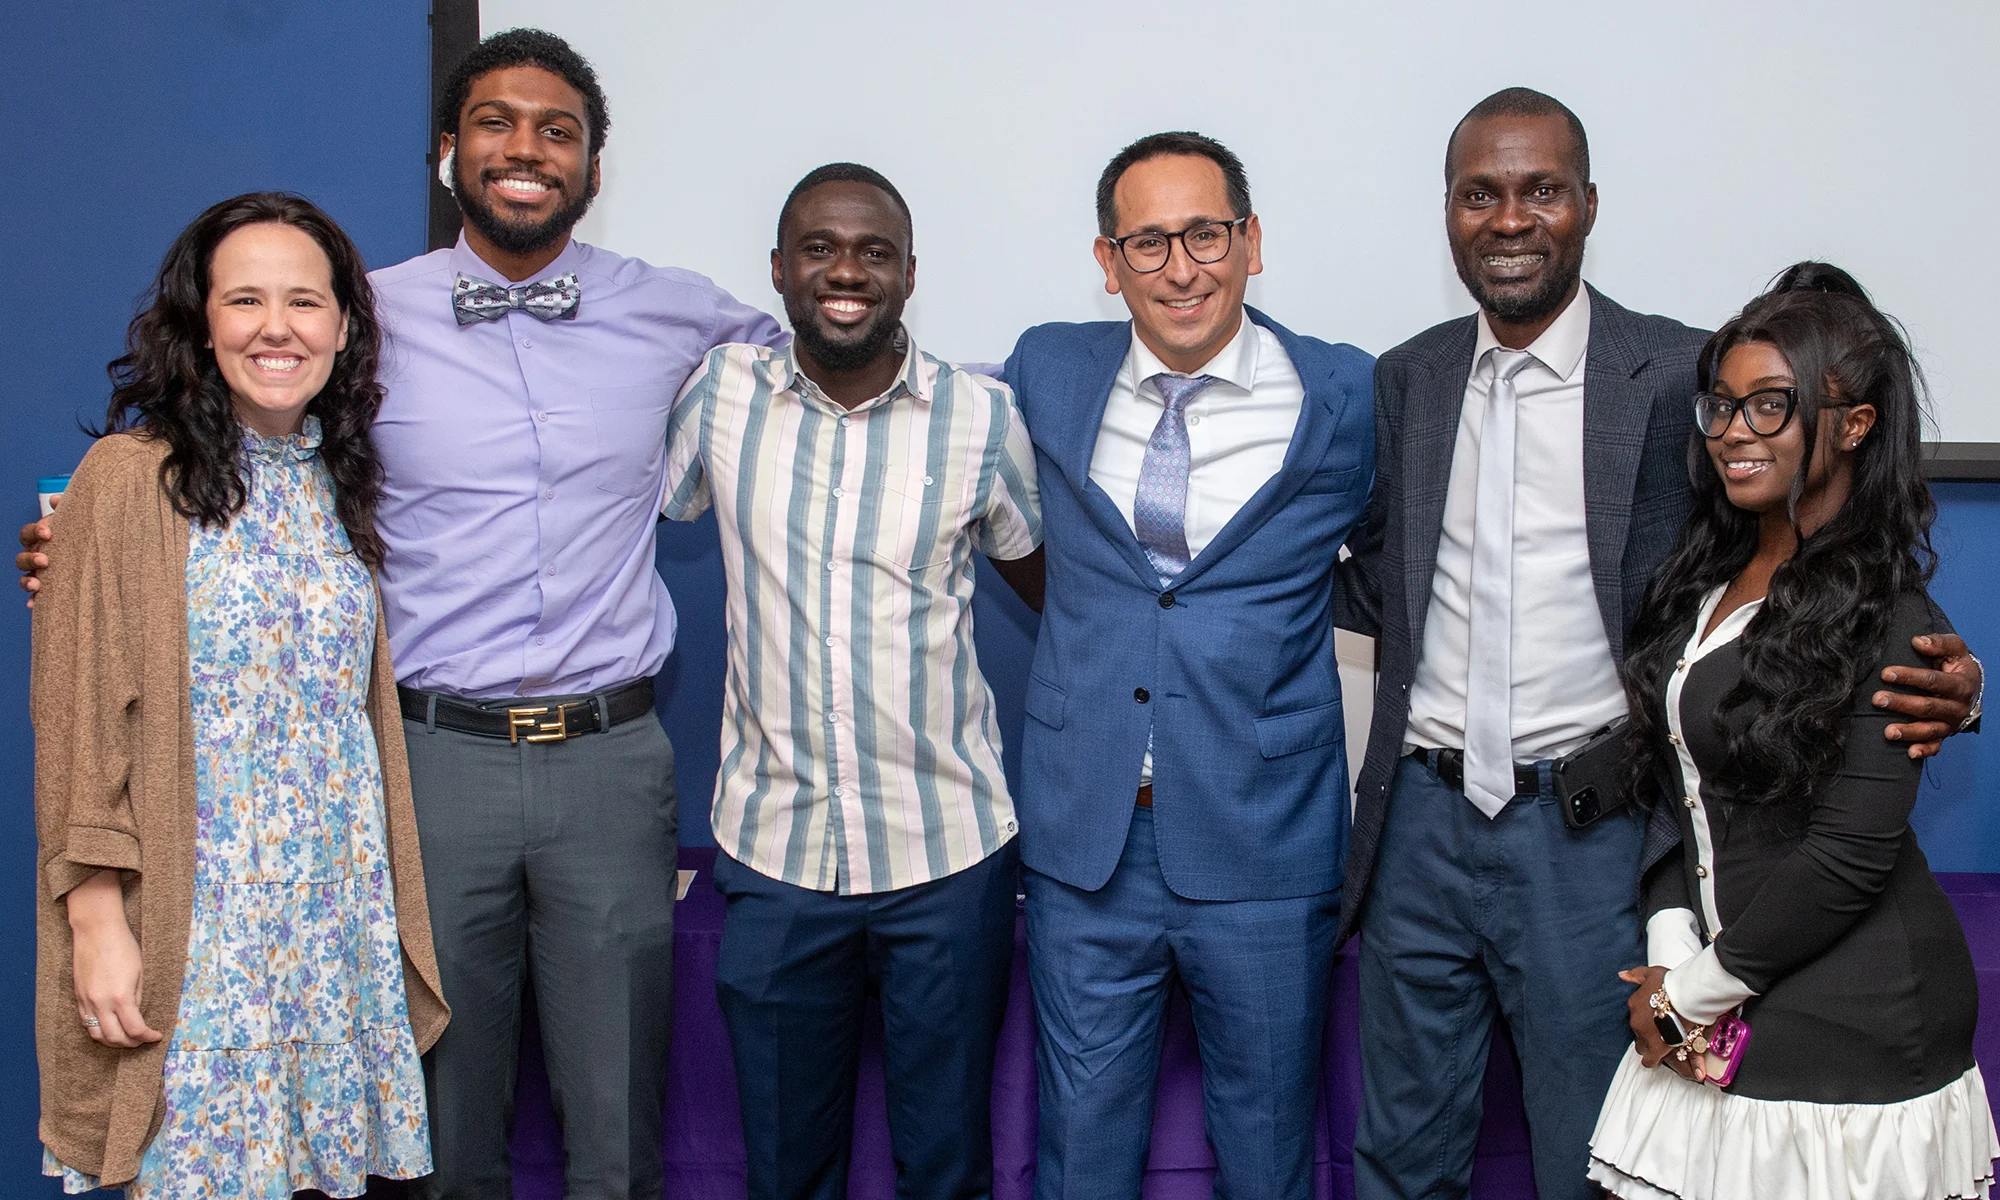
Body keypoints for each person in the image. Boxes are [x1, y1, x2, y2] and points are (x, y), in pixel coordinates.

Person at [21, 28, 785, 1200]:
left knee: (617, 1124)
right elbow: (211, 475)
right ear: (445, 150)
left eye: (557, 131)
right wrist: (78, 552)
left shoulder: (680, 312)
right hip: (427, 772)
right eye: (493, 123)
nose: (524, 150)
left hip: (609, 761)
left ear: (593, 164)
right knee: (442, 1120)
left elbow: (828, 366)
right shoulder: (352, 320)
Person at [1332, 89, 1983, 1200]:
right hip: (1420, 829)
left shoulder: (1685, 376)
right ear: (1446, 212)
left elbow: (1811, 545)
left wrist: (1945, 678)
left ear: (1587, 205)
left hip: (1588, 827)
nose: (1509, 218)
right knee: (1399, 1151)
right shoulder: (1407, 379)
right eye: (1479, 194)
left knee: (1593, 1151)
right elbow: (1370, 571)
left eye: (1541, 189)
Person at [31, 192, 447, 1196]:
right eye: (245, 300)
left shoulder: (337, 482)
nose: (276, 327)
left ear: (342, 329)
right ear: (201, 322)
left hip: (330, 915)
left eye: (304, 302)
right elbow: (78, 719)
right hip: (201, 921)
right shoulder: (127, 479)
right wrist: (96, 920)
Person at [1002, 132, 1374, 1199]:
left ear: (1250, 242)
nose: (1180, 268)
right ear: (1107, 260)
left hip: (1266, 840)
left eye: (1205, 234)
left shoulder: (1344, 393)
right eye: (1148, 241)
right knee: (1082, 1151)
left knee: (1267, 1149)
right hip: (1088, 842)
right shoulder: (1045, 371)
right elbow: (1012, 536)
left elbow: (1396, 561)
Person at [665, 162, 1043, 1200]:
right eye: (820, 249)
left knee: (947, 1170)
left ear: (909, 275)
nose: (846, 271)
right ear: (778, 269)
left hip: (948, 857)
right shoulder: (717, 399)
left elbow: (1051, 588)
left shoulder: (981, 418)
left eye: (874, 252)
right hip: (776, 857)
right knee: (787, 1172)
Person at [1586, 263, 2000, 1199]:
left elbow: (1848, 856)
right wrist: (1671, 948)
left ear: (1855, 426)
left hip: (1852, 1028)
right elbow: (1675, 785)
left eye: (1771, 406)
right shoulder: (1703, 579)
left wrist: (1689, 998)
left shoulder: (1892, 618)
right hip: (1721, 996)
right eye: (1723, 406)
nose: (1735, 431)